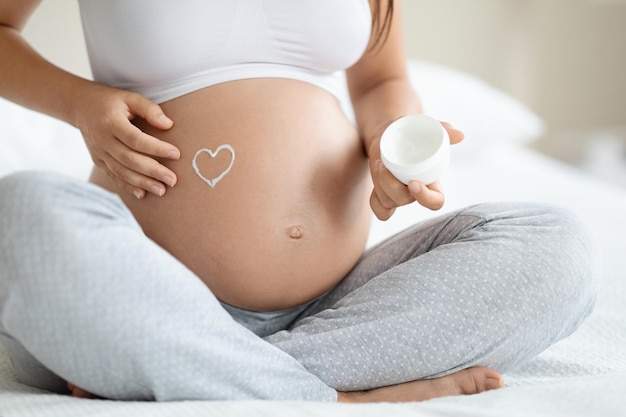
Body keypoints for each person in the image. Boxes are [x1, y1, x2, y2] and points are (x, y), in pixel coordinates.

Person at [0, 0, 598, 403]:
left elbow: (380, 81)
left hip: (335, 308)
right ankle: (329, 393)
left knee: (558, 245)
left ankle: (194, 368)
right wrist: (79, 103)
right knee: (21, 213)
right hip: (139, 290)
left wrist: (392, 143)